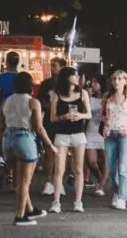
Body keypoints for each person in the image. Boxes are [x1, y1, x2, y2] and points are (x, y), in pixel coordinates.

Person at [1, 70, 55, 226]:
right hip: (24, 138)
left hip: (8, 138)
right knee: (25, 182)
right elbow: (38, 127)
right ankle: (20, 216)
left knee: (18, 180)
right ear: (30, 85)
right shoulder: (33, 102)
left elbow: (1, 122)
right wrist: (50, 144)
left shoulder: (7, 101)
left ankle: (30, 209)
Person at [50, 65, 89, 213]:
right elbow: (53, 118)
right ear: (67, 77)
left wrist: (81, 115)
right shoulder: (56, 95)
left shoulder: (83, 93)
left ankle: (78, 201)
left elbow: (89, 114)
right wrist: (64, 117)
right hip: (62, 134)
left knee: (78, 169)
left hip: (78, 133)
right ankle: (56, 201)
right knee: (59, 169)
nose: (78, 77)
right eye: (75, 75)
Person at [102, 69, 127, 210]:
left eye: (119, 79)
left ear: (125, 81)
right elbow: (103, 114)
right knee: (112, 170)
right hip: (110, 134)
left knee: (123, 168)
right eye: (114, 79)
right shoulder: (107, 97)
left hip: (125, 135)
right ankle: (117, 192)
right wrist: (105, 119)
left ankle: (122, 198)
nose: (116, 81)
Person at [0, 51, 22, 189]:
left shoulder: (0, 78)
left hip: (4, 113)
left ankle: (1, 170)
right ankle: (13, 175)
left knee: (1, 143)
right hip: (19, 113)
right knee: (16, 142)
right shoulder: (22, 77)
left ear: (7, 62)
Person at [39, 55, 67, 197]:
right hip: (49, 122)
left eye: (54, 66)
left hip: (63, 122)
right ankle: (49, 182)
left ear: (62, 67)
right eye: (50, 65)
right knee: (49, 152)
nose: (51, 68)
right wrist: (49, 106)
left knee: (61, 153)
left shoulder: (68, 83)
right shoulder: (45, 84)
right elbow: (39, 103)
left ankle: (59, 182)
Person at [84, 77, 107, 196]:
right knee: (90, 161)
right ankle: (99, 178)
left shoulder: (108, 97)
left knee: (104, 159)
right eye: (92, 82)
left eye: (95, 82)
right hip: (91, 130)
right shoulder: (89, 96)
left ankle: (102, 185)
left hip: (104, 131)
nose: (92, 84)